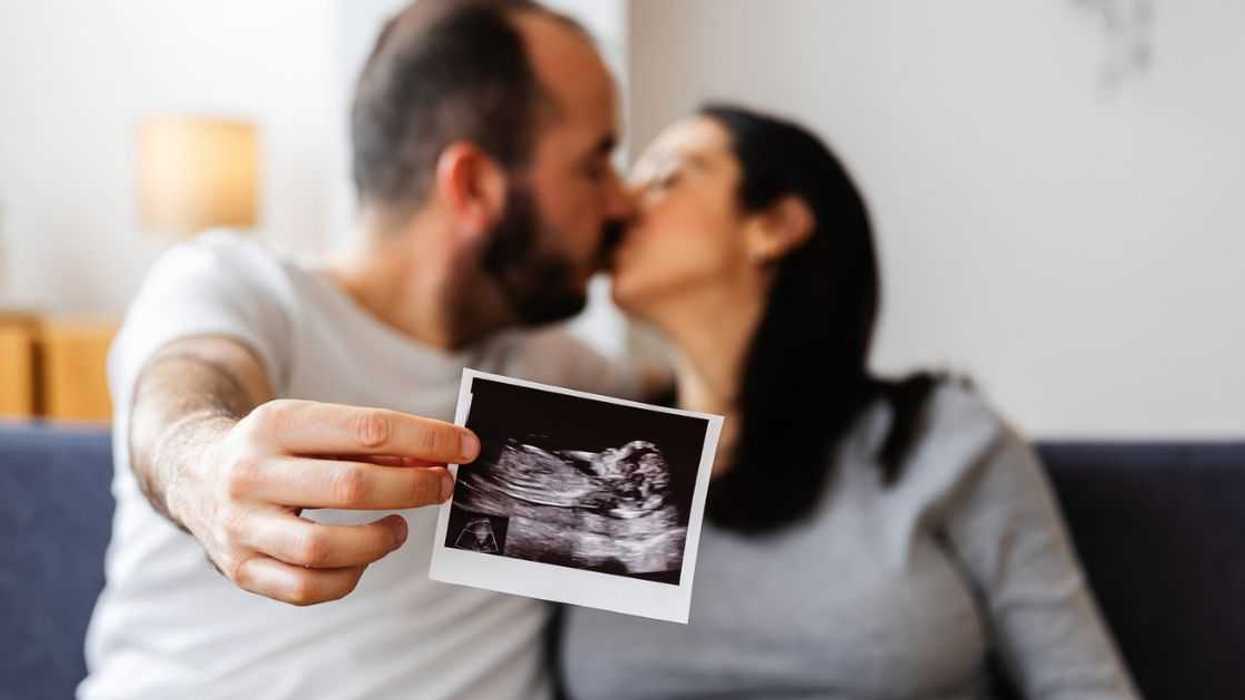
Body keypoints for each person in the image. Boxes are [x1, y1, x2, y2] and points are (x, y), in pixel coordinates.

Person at [80, 2, 645, 698]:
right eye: (596, 166)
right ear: (472, 186)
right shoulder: (242, 288)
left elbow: (717, 489)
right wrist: (203, 468)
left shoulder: (560, 376)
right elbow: (184, 393)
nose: (624, 204)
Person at [559, 106, 1141, 699]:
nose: (623, 205)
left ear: (775, 224)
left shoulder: (938, 441)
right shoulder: (602, 459)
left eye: (666, 178)